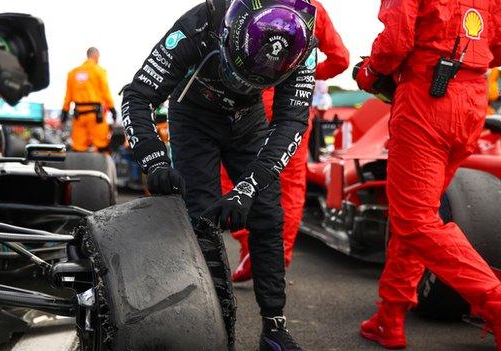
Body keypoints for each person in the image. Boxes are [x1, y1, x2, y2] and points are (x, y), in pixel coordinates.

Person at [122, 0, 316, 349]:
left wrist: (248, 187)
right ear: (230, 31)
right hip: (194, 113)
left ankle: (274, 327)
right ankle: (216, 327)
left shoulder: (303, 46)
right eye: (239, 73)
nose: (242, 84)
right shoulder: (198, 25)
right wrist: (153, 159)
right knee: (202, 216)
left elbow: (292, 122)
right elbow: (137, 95)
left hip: (249, 118)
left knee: (268, 214)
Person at [354, 0, 501, 349]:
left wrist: (370, 72)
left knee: (415, 219)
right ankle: (389, 318)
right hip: (471, 101)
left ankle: (494, 298)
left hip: (426, 98)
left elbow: (394, 44)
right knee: (417, 217)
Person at [225, 0, 349, 283]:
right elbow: (340, 58)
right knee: (291, 185)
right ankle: (276, 260)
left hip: (250, 101)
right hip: (294, 106)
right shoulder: (314, 8)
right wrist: (301, 73)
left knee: (231, 173)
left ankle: (251, 248)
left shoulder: (250, 3)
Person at [62, 47, 117, 152]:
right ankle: (101, 167)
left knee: (78, 147)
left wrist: (64, 111)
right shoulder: (99, 71)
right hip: (95, 116)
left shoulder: (73, 73)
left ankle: (79, 166)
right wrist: (112, 109)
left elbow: (68, 95)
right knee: (102, 146)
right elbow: (106, 92)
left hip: (79, 115)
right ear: (96, 55)